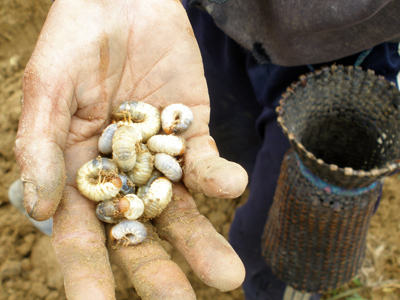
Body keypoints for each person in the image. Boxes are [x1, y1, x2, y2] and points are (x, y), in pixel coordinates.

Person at [14, 0, 400, 299]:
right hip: (213, 16)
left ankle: (276, 287)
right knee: (225, 135)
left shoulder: (138, 149)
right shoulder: (144, 139)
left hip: (356, 48)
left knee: (288, 228)